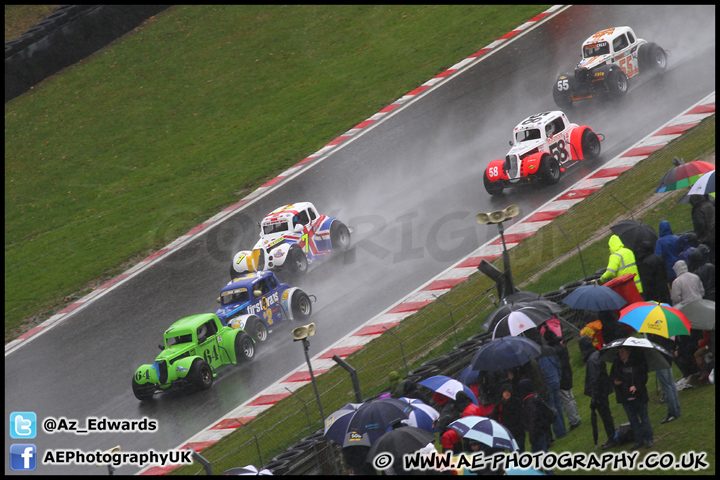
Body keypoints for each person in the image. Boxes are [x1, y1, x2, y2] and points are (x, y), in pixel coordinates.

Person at [525, 328, 567, 440]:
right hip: (555, 381)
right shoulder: (549, 349)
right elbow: (558, 365)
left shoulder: (535, 354)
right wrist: (558, 377)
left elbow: (539, 373)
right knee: (558, 405)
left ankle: (560, 431)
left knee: (551, 407)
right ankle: (563, 428)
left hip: (547, 385)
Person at [609, 346, 653, 450]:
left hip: (639, 396)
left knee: (644, 418)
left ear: (628, 351)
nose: (621, 354)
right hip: (625, 397)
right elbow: (612, 377)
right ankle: (639, 440)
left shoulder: (637, 361)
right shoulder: (617, 363)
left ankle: (649, 439)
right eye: (619, 352)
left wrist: (636, 386)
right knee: (633, 420)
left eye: (623, 352)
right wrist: (616, 382)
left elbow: (643, 376)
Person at [579, 336, 617, 450]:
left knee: (605, 416)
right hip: (604, 389)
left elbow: (594, 379)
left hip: (599, 392)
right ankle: (612, 437)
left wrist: (594, 397)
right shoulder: (597, 354)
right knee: (607, 415)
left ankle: (612, 438)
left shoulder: (591, 360)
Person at [545, 329, 581, 431]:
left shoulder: (552, 350)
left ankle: (574, 421)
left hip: (562, 377)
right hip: (568, 373)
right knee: (570, 397)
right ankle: (576, 417)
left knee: (566, 400)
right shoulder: (562, 346)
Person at [645, 333, 681, 424]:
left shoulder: (653, 334)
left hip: (659, 359)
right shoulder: (663, 330)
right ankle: (676, 410)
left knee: (667, 386)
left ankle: (672, 412)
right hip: (667, 356)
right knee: (671, 384)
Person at [517, 378, 557, 458]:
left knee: (537, 455)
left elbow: (532, 418)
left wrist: (531, 435)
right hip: (542, 429)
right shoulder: (536, 397)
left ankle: (543, 470)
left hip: (536, 432)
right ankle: (548, 470)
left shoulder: (529, 401)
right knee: (543, 452)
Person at [490, 383, 525, 452]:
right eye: (505, 391)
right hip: (504, 431)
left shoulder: (516, 403)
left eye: (508, 392)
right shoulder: (499, 404)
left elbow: (520, 417)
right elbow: (494, 417)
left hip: (516, 432)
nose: (507, 393)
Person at [690, 194, 715, 263]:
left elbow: (700, 225)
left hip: (708, 239)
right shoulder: (710, 204)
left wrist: (699, 237)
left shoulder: (698, 209)